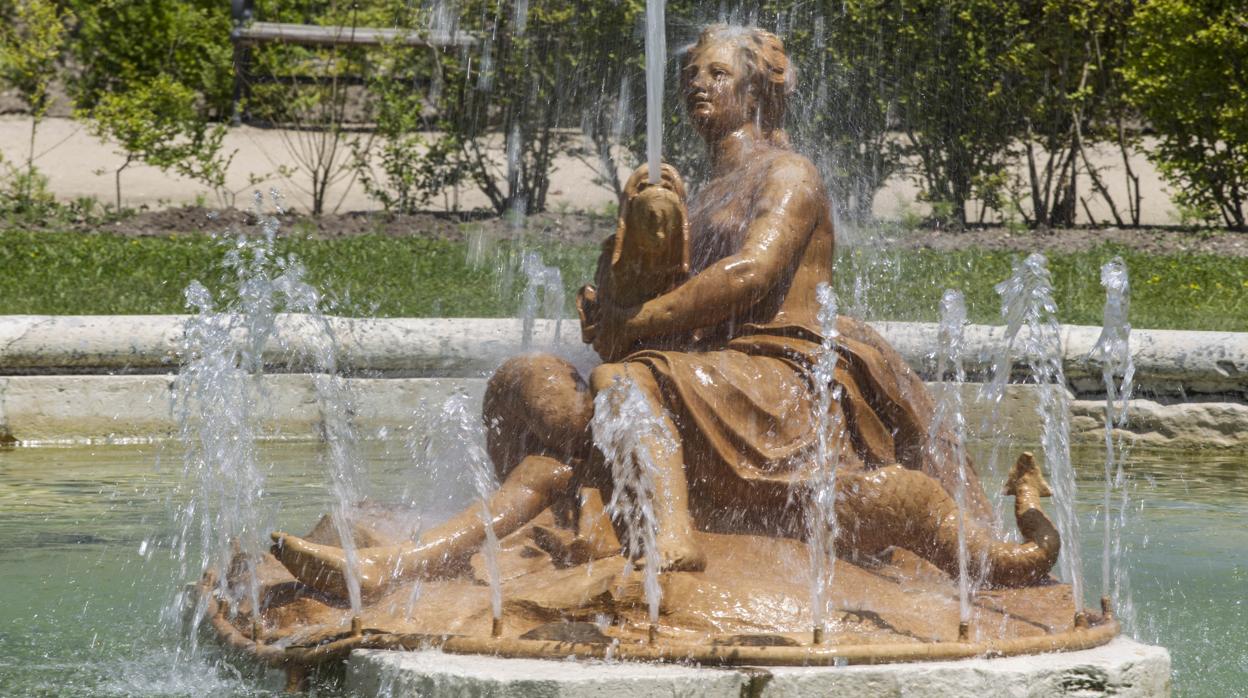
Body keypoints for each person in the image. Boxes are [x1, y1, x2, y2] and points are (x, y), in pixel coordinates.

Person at [271, 25, 1009, 600]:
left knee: (627, 385)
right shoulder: (692, 188)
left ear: (756, 92)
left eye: (718, 73)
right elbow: (641, 303)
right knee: (528, 382)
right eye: (691, 73)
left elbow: (751, 275)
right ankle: (408, 563)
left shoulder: (789, 173)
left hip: (775, 378)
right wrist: (616, 282)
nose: (698, 84)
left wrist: (639, 324)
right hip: (699, 376)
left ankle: (670, 539)